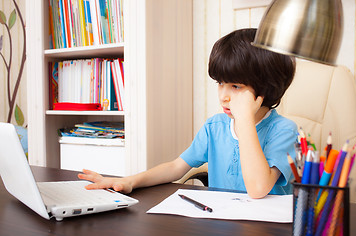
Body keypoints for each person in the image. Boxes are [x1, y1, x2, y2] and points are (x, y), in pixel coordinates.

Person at [78, 28, 298, 199]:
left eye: (236, 87)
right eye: (220, 83)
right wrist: (130, 181)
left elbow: (258, 188)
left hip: (265, 228)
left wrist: (245, 121)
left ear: (265, 90)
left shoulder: (284, 131)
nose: (223, 96)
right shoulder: (215, 127)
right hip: (220, 222)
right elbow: (176, 167)